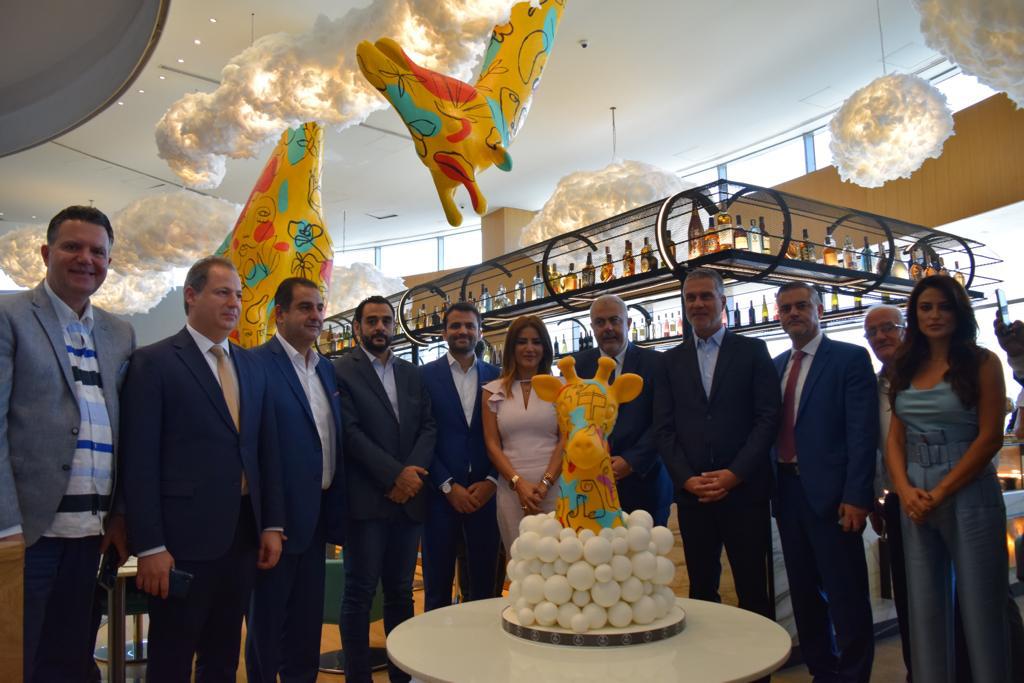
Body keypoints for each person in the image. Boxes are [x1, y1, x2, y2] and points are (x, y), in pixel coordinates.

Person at [120, 256, 285, 682]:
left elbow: (265, 450)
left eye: (239, 295)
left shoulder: (252, 365)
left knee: (223, 658)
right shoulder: (154, 362)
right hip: (181, 543)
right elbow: (139, 461)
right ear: (191, 296)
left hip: (242, 537)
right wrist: (150, 546)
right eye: (222, 292)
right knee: (171, 661)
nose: (235, 303)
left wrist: (271, 524)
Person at [0, 206, 135, 682]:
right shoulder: (9, 316)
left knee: (73, 658)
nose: (86, 259)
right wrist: (6, 524)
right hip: (27, 532)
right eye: (72, 247)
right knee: (20, 660)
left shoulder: (120, 333)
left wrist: (119, 516)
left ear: (109, 262)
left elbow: (127, 431)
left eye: (98, 251)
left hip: (91, 536)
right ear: (45, 253)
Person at [886, 275, 1011, 682]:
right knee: (924, 608)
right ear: (915, 315)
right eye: (926, 308)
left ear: (959, 313)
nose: (935, 315)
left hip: (968, 485)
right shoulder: (905, 364)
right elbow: (895, 438)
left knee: (982, 608)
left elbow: (990, 437)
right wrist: (904, 490)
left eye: (944, 307)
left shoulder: (982, 362)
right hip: (914, 489)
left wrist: (940, 491)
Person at [656, 268, 780, 618]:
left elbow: (767, 418)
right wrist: (686, 479)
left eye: (706, 296)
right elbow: (663, 429)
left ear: (723, 301)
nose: (698, 304)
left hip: (744, 492)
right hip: (694, 496)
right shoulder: (669, 361)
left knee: (753, 591)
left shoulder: (753, 351)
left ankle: (758, 656)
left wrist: (734, 474)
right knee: (701, 593)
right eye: (690, 298)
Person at [772, 281, 877, 682]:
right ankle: (823, 672)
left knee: (846, 594)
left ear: (819, 309)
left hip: (834, 497)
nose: (793, 313)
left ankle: (853, 676)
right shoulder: (776, 365)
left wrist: (857, 496)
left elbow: (862, 433)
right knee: (805, 595)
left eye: (801, 305)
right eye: (786, 308)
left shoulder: (849, 358)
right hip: (787, 493)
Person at [245, 277, 347, 682]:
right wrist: (267, 520)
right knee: (268, 626)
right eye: (305, 307)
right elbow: (252, 446)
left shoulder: (326, 369)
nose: (316, 315)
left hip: (317, 516)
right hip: (276, 521)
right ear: (280, 314)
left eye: (320, 307)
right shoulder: (255, 364)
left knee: (306, 626)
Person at [333, 295, 436, 683]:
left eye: (386, 321)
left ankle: (400, 676)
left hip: (408, 502)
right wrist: (396, 475)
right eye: (372, 320)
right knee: (359, 593)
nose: (380, 327)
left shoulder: (411, 372)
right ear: (357, 327)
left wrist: (411, 477)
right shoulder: (341, 371)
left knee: (401, 593)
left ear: (394, 326)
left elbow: (428, 426)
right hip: (366, 501)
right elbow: (350, 433)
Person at [420, 302, 501, 610]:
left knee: (484, 588)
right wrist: (446, 484)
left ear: (480, 331)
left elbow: (506, 435)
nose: (462, 331)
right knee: (436, 589)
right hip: (439, 496)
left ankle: (481, 641)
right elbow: (421, 436)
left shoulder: (497, 377)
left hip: (486, 496)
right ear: (444, 333)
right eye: (455, 326)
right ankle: (433, 643)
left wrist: (492, 480)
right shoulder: (424, 376)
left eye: (469, 325)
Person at [575, 294, 673, 525]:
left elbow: (664, 420)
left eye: (614, 320)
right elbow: (574, 420)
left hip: (645, 483)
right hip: (593, 485)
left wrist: (631, 461)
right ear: (592, 328)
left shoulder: (657, 363)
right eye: (600, 322)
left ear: (628, 323)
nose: (608, 328)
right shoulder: (578, 366)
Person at [863, 303, 914, 679]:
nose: (881, 337)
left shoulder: (929, 375)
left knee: (971, 594)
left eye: (889, 328)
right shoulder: (874, 386)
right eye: (873, 332)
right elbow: (874, 447)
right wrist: (876, 498)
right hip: (898, 504)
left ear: (906, 329)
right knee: (909, 598)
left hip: (948, 497)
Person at [482, 315, 562, 553]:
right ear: (511, 348)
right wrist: (518, 484)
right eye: (522, 342)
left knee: (559, 560)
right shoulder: (491, 391)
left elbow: (566, 440)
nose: (529, 348)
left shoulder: (562, 387)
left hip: (555, 488)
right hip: (511, 491)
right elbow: (492, 444)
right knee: (519, 560)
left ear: (545, 348)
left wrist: (545, 483)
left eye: (536, 342)